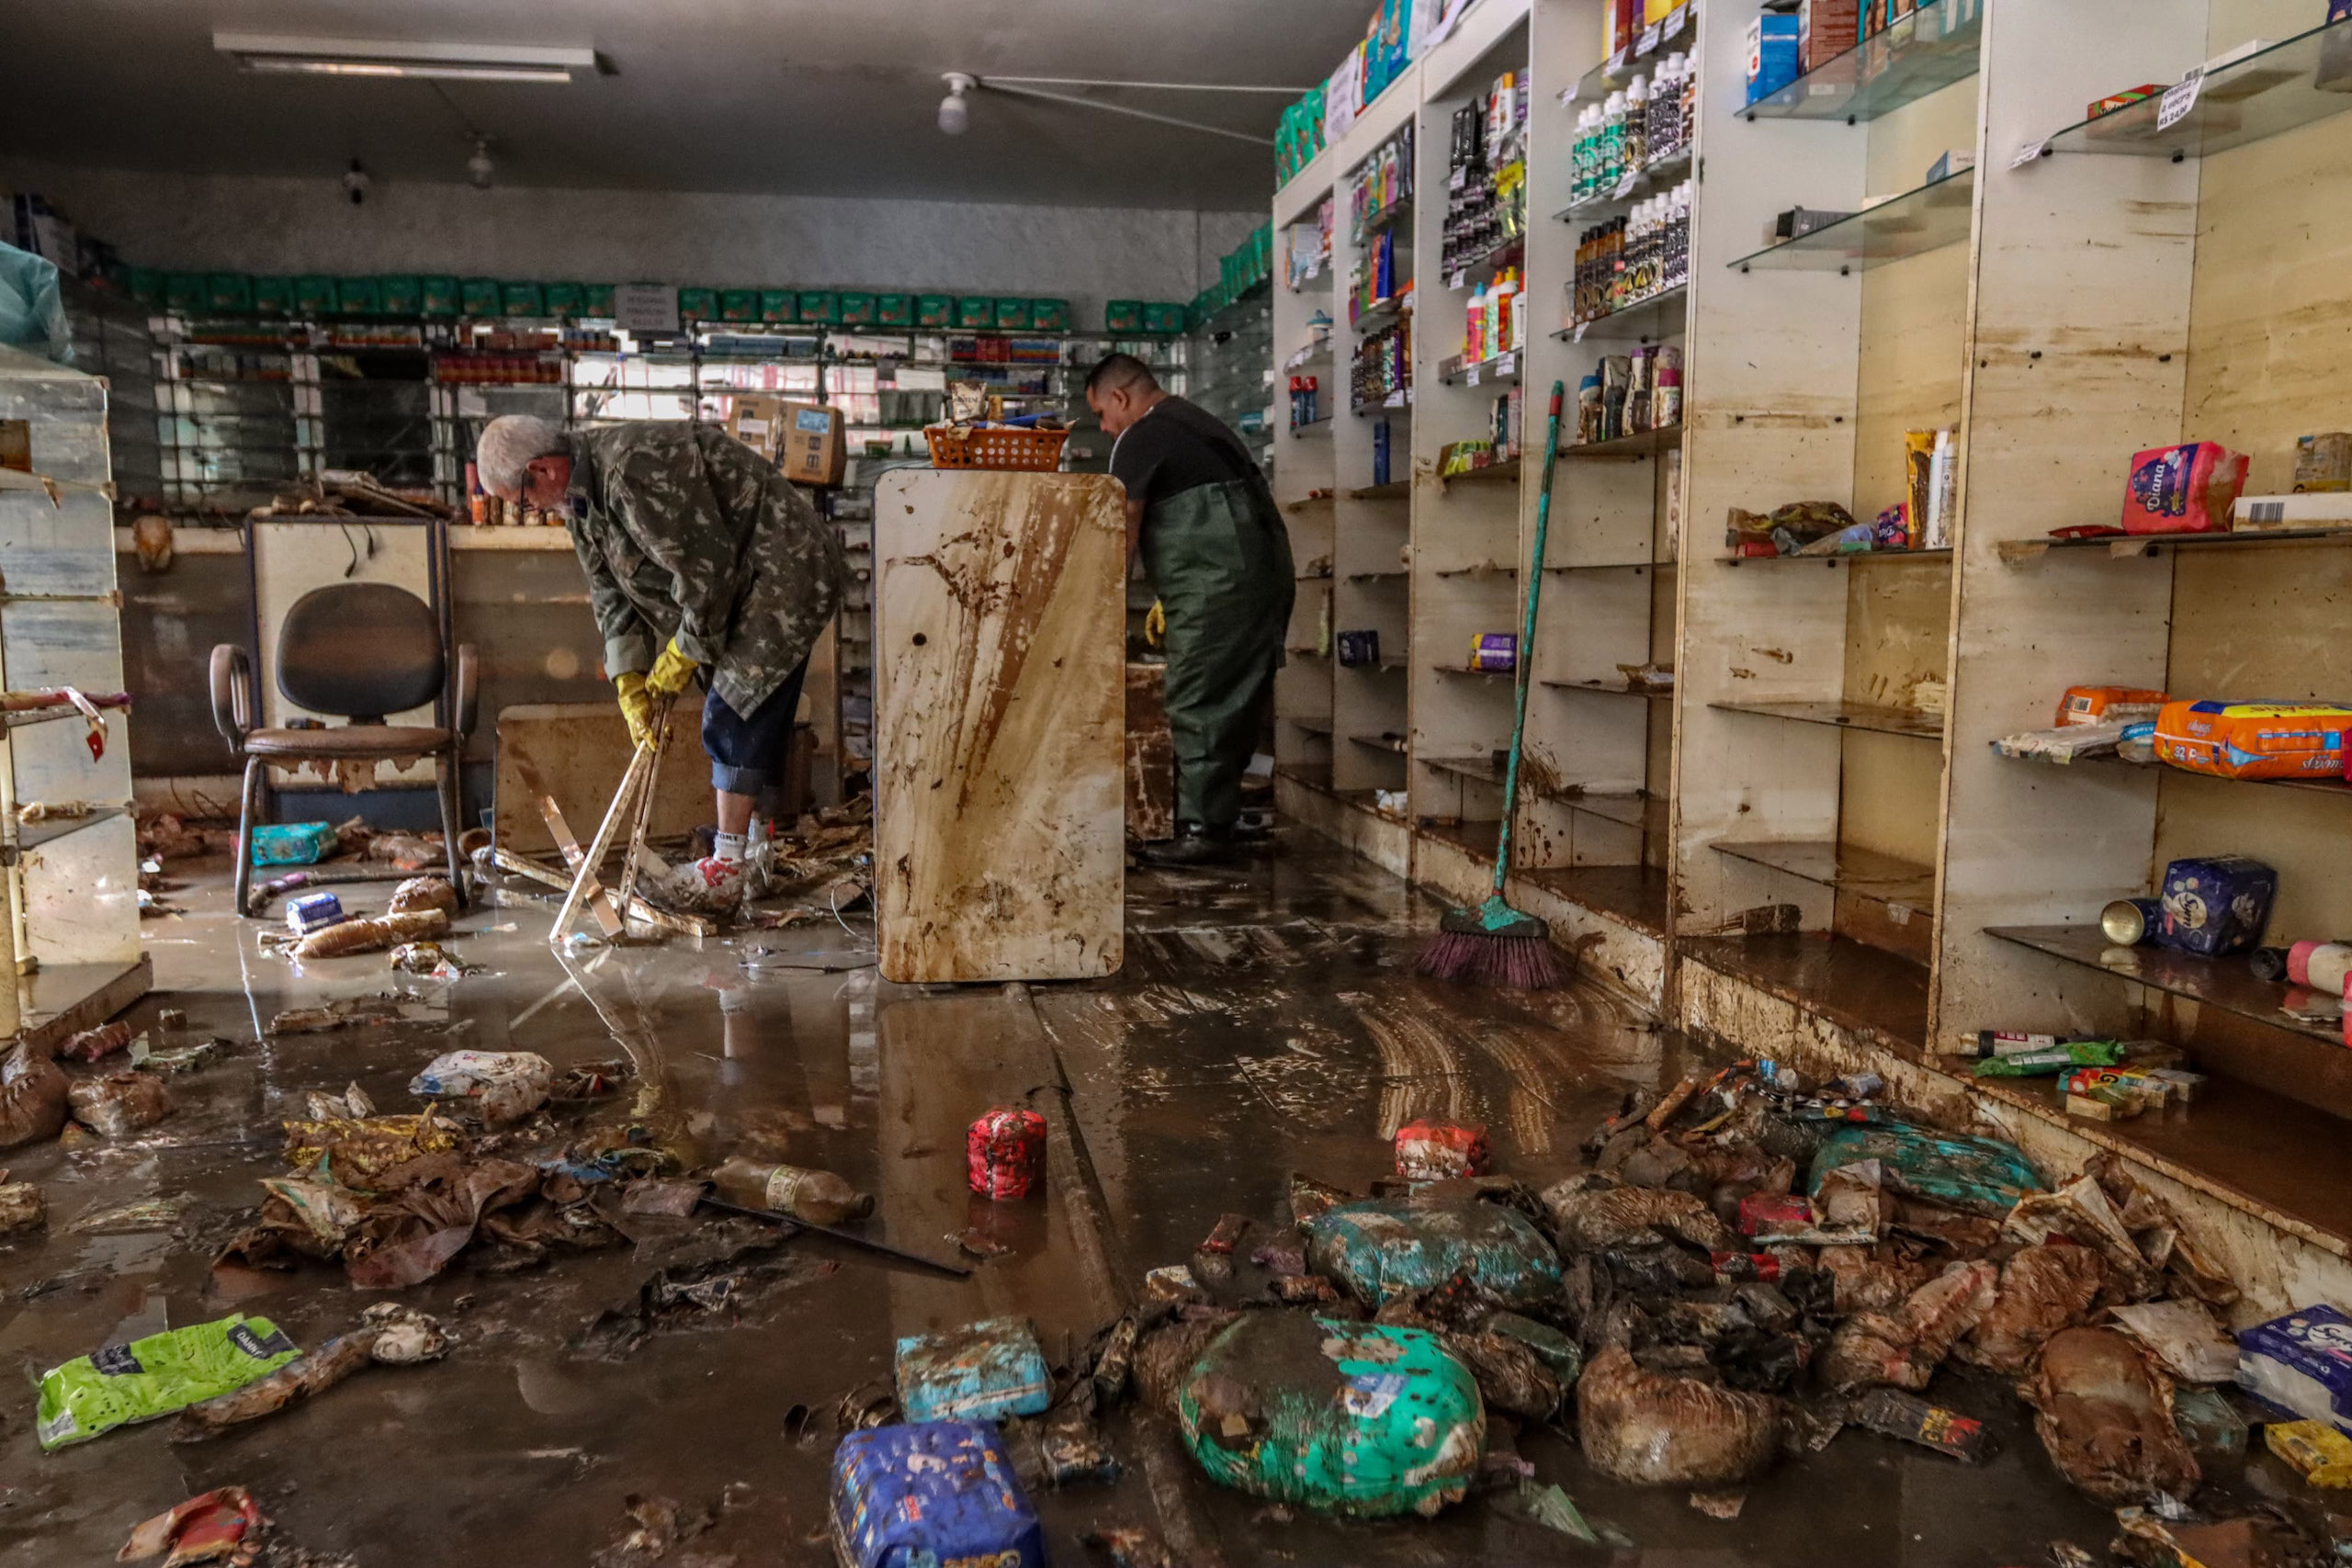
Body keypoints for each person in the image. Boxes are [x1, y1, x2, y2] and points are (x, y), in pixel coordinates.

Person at [474, 414, 845, 912]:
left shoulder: (631, 469)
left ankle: (727, 870)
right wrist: (628, 679)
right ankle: (754, 853)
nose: (530, 510)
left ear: (542, 470)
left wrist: (682, 653)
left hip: (782, 569)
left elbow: (708, 573)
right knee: (741, 706)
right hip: (738, 585)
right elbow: (609, 590)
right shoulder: (580, 500)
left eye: (522, 500)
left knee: (734, 705)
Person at [1087, 354, 1295, 865]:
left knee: (1199, 698)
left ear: (1120, 397)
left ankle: (1202, 829)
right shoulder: (1200, 423)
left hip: (1216, 586)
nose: (1105, 427)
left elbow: (1124, 527)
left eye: (1101, 414)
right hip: (1262, 578)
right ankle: (1220, 817)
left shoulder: (1139, 437)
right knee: (1238, 698)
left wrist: (1101, 608)